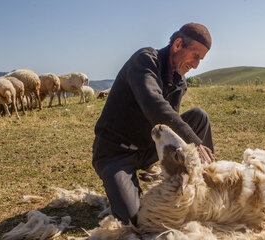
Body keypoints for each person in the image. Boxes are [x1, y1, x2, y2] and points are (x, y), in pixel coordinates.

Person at [92, 22, 215, 226]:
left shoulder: (179, 80)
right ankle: (123, 186)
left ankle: (206, 181)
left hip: (148, 147)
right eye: (195, 56)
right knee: (135, 219)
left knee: (198, 117)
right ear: (177, 44)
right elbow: (154, 106)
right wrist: (195, 142)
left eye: (200, 60)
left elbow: (168, 124)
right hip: (116, 152)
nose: (196, 65)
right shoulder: (145, 60)